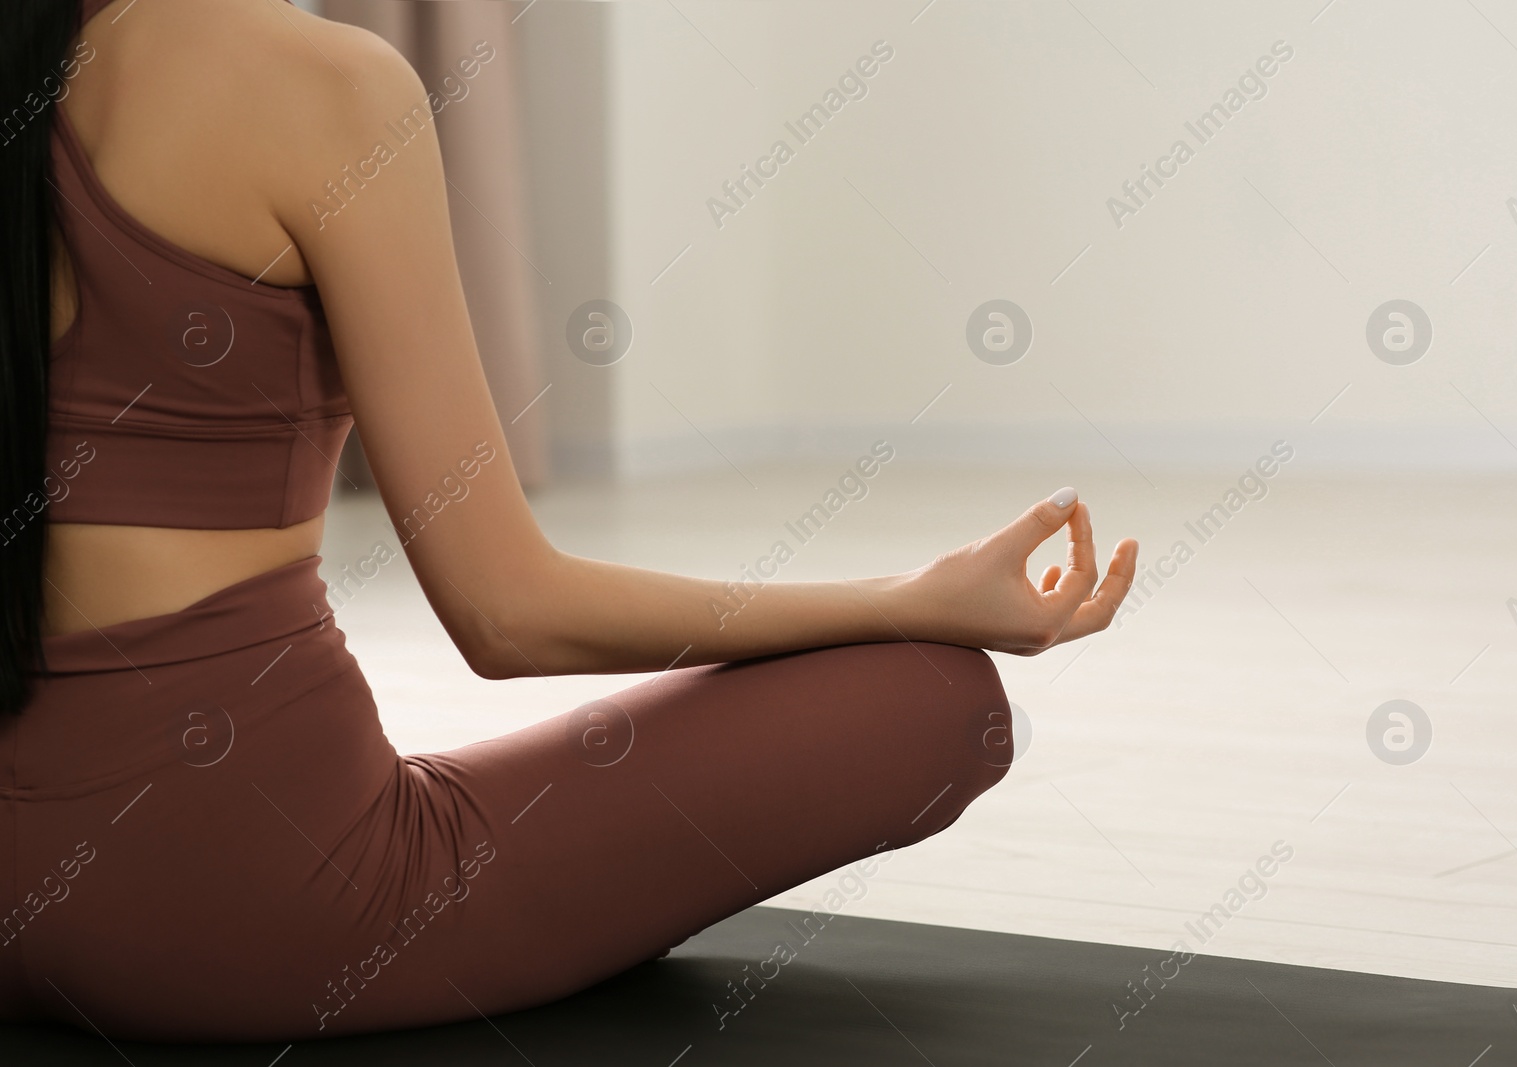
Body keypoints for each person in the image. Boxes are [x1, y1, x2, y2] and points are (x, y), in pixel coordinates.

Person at [0, 0, 1138, 1042]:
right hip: (251, 906)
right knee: (936, 701)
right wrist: (909, 601)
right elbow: (509, 614)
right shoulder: (322, 86)